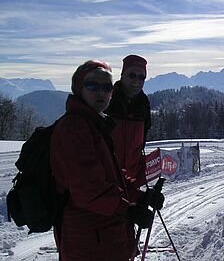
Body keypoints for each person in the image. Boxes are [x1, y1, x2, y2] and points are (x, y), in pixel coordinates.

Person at [50, 60, 155, 261]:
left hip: (106, 237)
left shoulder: (95, 125)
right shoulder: (74, 129)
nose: (101, 92)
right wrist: (129, 210)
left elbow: (112, 177)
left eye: (106, 87)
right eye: (92, 85)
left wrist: (140, 197)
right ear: (79, 87)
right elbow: (89, 190)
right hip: (88, 240)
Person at [106, 55, 151, 190]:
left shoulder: (143, 104)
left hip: (130, 182)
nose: (137, 81)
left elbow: (140, 144)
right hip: (106, 181)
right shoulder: (107, 99)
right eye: (132, 75)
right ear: (122, 75)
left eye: (141, 77)